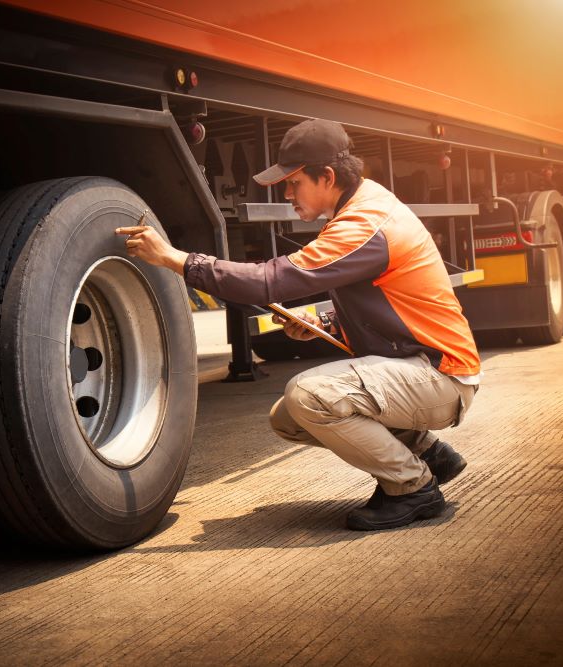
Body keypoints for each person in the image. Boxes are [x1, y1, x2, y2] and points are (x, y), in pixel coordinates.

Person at [116, 118, 480, 531]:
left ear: (326, 177)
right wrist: (324, 322)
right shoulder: (363, 206)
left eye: (293, 183)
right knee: (288, 416)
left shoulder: (365, 224)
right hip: (419, 365)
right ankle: (428, 452)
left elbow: (270, 281)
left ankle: (413, 488)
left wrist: (178, 260)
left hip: (441, 374)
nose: (287, 195)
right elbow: (392, 305)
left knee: (310, 395)